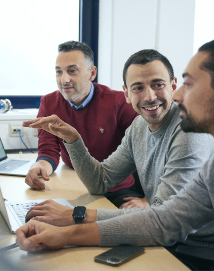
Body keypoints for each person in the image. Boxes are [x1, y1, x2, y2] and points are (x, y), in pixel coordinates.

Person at [16, 37, 214, 270]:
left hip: (198, 254)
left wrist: (74, 219)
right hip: (174, 242)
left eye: (188, 84)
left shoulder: (200, 140)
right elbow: (164, 220)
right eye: (138, 87)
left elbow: (161, 220)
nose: (179, 95)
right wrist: (67, 232)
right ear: (127, 93)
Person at [26, 40, 142, 207]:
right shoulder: (48, 103)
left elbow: (150, 151)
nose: (64, 79)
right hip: (75, 183)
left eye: (72, 71)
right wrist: (40, 167)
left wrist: (148, 201)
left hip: (115, 188)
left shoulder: (119, 102)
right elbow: (48, 151)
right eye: (59, 72)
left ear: (92, 73)